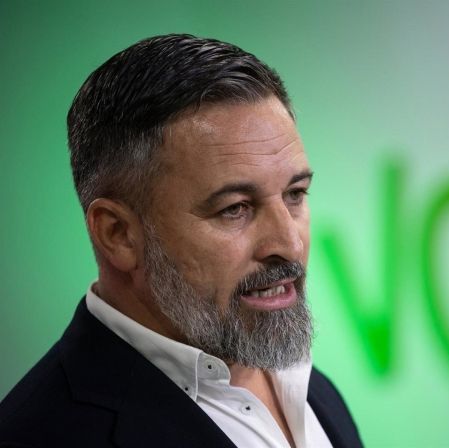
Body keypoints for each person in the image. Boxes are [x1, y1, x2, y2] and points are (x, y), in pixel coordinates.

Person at [0, 34, 362, 448]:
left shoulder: (313, 390)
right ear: (118, 234)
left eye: (294, 194)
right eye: (235, 208)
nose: (290, 245)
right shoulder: (39, 434)